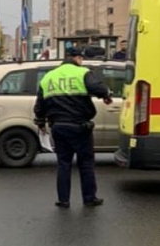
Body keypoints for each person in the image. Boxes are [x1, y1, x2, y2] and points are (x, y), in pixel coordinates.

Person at [33, 47, 112, 209]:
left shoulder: (48, 77)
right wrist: (106, 95)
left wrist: (41, 123)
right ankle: (89, 198)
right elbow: (98, 88)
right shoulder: (82, 72)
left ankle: (63, 200)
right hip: (80, 126)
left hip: (58, 127)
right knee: (86, 163)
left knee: (63, 164)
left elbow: (40, 105)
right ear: (78, 59)